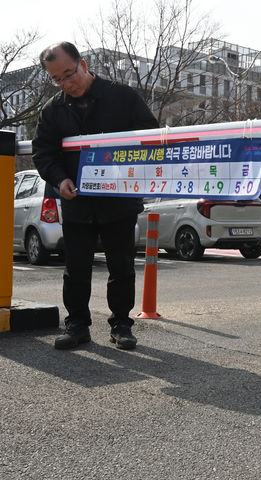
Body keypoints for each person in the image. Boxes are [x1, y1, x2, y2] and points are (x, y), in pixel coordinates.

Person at [32, 42, 159, 350]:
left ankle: (121, 324)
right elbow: (43, 153)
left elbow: (150, 137)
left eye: (69, 74)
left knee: (121, 267)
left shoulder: (123, 97)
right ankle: (77, 325)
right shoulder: (52, 110)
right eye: (57, 79)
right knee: (75, 269)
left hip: (119, 201)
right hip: (77, 202)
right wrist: (59, 179)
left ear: (84, 65)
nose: (66, 83)